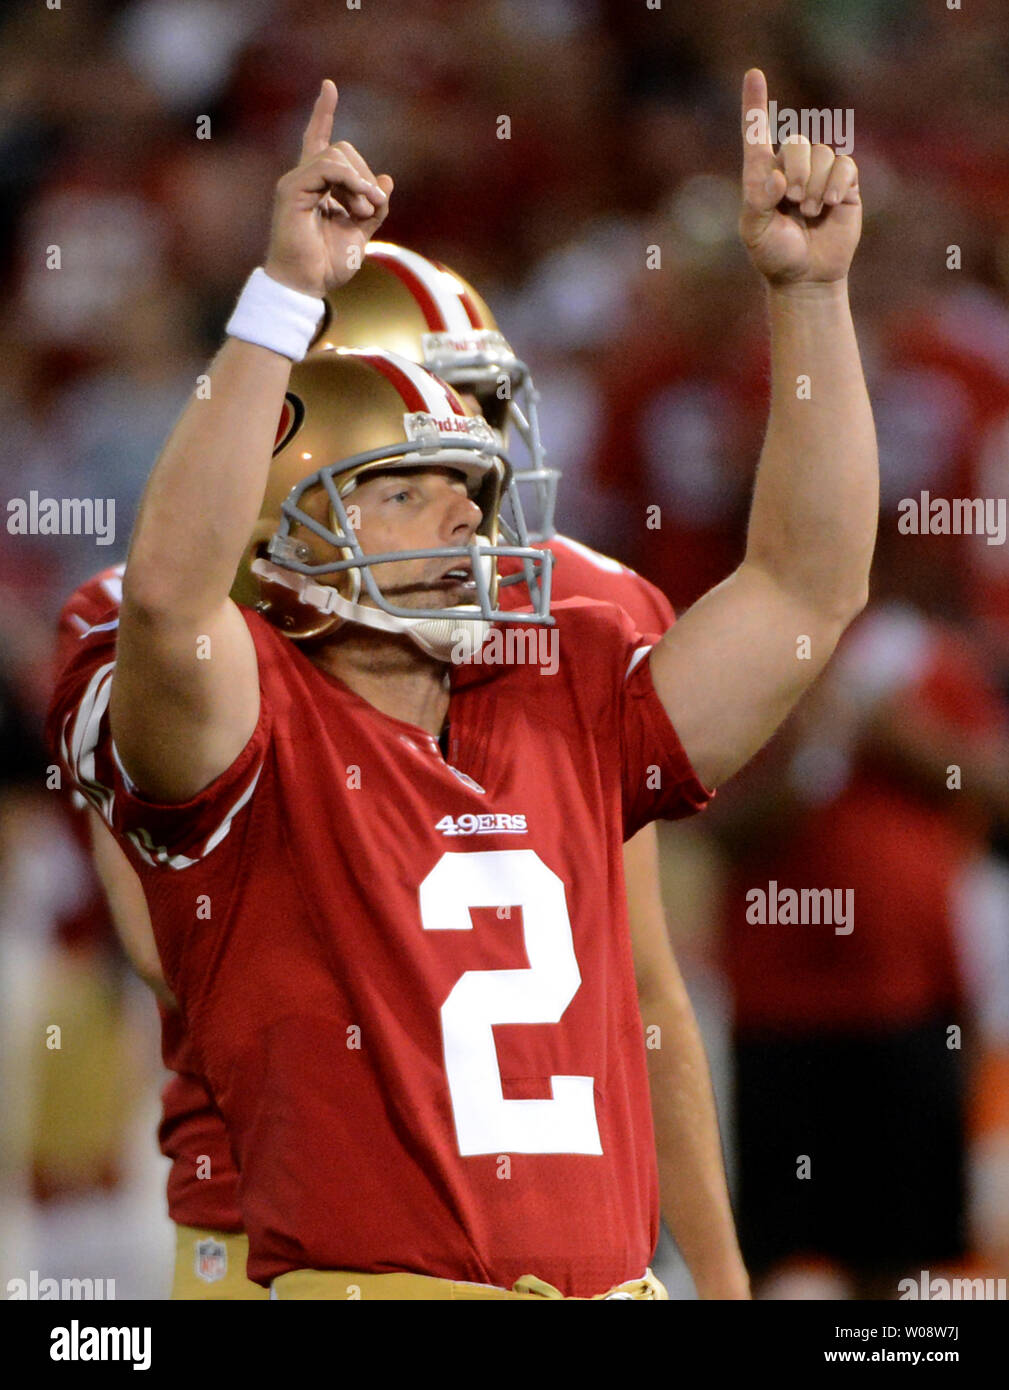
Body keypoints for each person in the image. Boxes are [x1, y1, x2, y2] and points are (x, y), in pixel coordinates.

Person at [48, 69, 876, 1299]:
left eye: (477, 474)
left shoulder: (566, 667)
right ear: (285, 522)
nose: (470, 511)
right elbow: (174, 606)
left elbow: (806, 592)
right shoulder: (242, 709)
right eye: (406, 484)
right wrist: (276, 299)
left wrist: (810, 297)